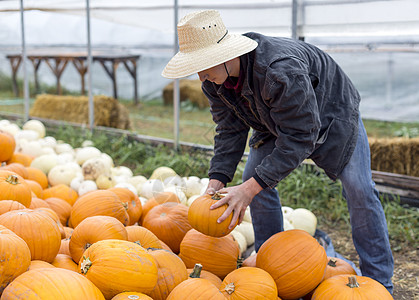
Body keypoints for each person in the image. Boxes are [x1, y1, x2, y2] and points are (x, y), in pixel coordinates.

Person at [162, 10, 394, 293]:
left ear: (223, 54)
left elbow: (301, 134)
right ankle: (273, 269)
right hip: (272, 119)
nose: (200, 75)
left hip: (332, 112)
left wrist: (249, 189)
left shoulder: (279, 69)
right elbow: (229, 130)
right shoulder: (214, 81)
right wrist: (217, 179)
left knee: (359, 188)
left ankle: (380, 280)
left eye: (202, 65)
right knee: (255, 181)